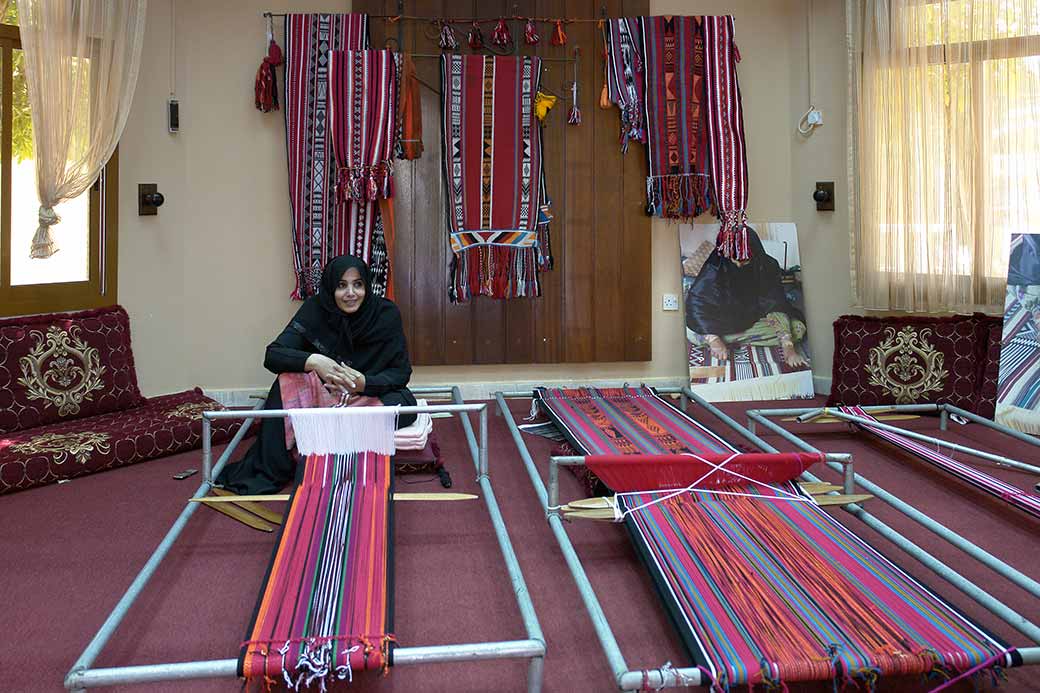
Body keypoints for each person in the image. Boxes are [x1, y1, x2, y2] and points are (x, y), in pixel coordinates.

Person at [217, 255, 417, 494]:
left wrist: (364, 383)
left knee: (406, 405)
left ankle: (320, 438)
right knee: (286, 380)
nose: (351, 293)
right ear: (331, 287)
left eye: (358, 284)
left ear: (366, 286)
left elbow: (400, 373)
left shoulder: (386, 314)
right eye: (342, 285)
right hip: (323, 397)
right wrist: (316, 362)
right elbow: (273, 355)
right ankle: (324, 442)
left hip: (365, 398)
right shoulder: (316, 309)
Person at [684, 229, 808, 368]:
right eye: (735, 261)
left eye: (745, 261)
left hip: (755, 318)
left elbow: (776, 304)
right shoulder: (714, 267)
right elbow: (696, 306)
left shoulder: (767, 266)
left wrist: (788, 346)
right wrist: (713, 339)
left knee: (797, 328)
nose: (739, 266)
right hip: (720, 321)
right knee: (690, 330)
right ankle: (724, 339)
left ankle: (732, 339)